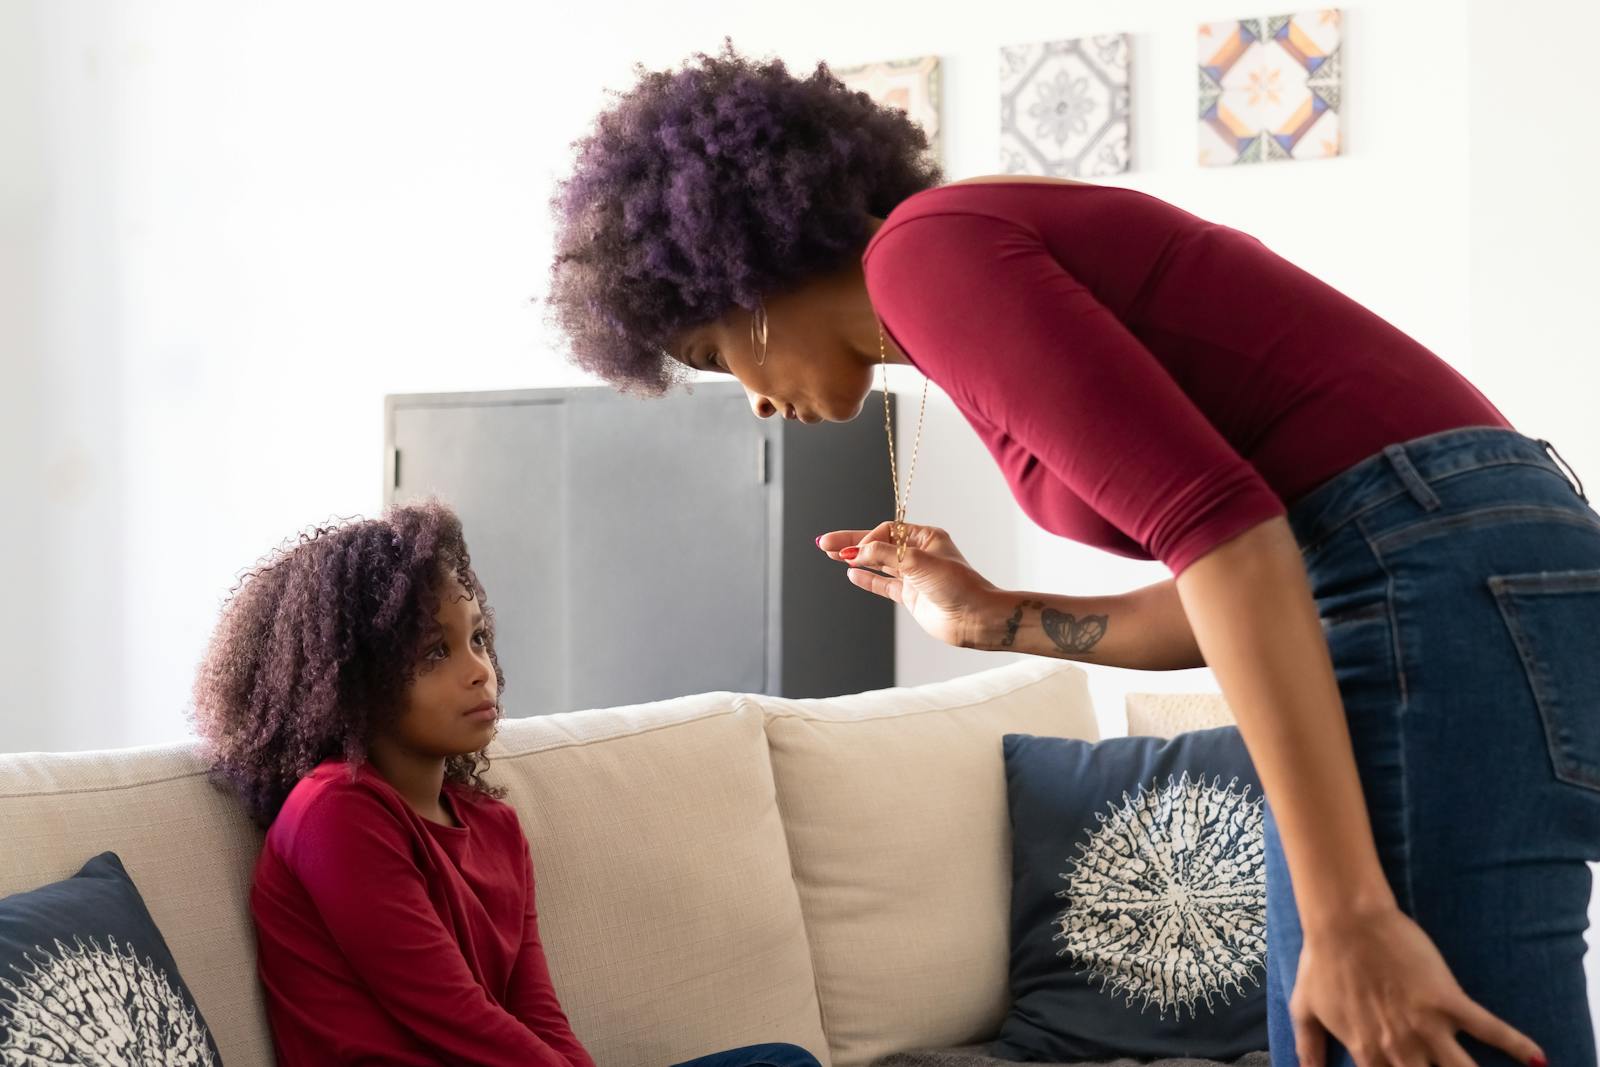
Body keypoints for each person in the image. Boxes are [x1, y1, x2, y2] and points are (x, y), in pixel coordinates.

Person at [547, 41, 1600, 1067]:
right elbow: (1267, 569)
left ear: (741, 266)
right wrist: (982, 615)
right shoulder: (965, 263)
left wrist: (1346, 912)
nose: (758, 400)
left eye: (711, 355)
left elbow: (1229, 537)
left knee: (1378, 1019)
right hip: (1509, 569)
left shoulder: (924, 251)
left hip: (1433, 583)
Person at [192, 500, 821, 1067]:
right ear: (350, 681)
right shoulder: (335, 812)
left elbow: (538, 1014)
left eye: (479, 638)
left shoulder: (495, 828)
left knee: (778, 1062)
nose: (479, 672)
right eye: (435, 653)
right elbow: (455, 1016)